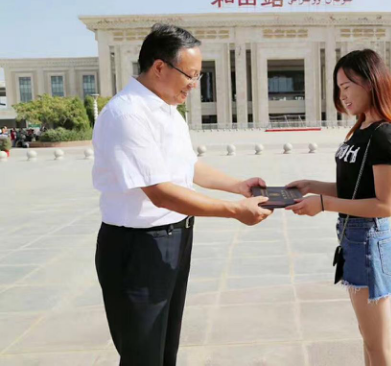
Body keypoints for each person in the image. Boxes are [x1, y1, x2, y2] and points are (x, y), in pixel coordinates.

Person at [92, 24, 272, 366]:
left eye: (198, 75)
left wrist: (238, 186)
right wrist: (235, 210)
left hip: (174, 239)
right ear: (160, 67)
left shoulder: (168, 112)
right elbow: (160, 193)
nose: (194, 84)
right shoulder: (127, 114)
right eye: (190, 75)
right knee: (143, 355)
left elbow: (187, 166)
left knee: (164, 350)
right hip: (138, 247)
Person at [286, 49, 391, 366]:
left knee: (378, 345)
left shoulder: (384, 136)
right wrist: (312, 186)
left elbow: (384, 204)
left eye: (347, 86)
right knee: (369, 339)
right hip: (353, 239)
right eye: (339, 87)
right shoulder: (361, 130)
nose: (342, 95)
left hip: (368, 240)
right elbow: (354, 190)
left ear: (371, 82)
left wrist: (323, 204)